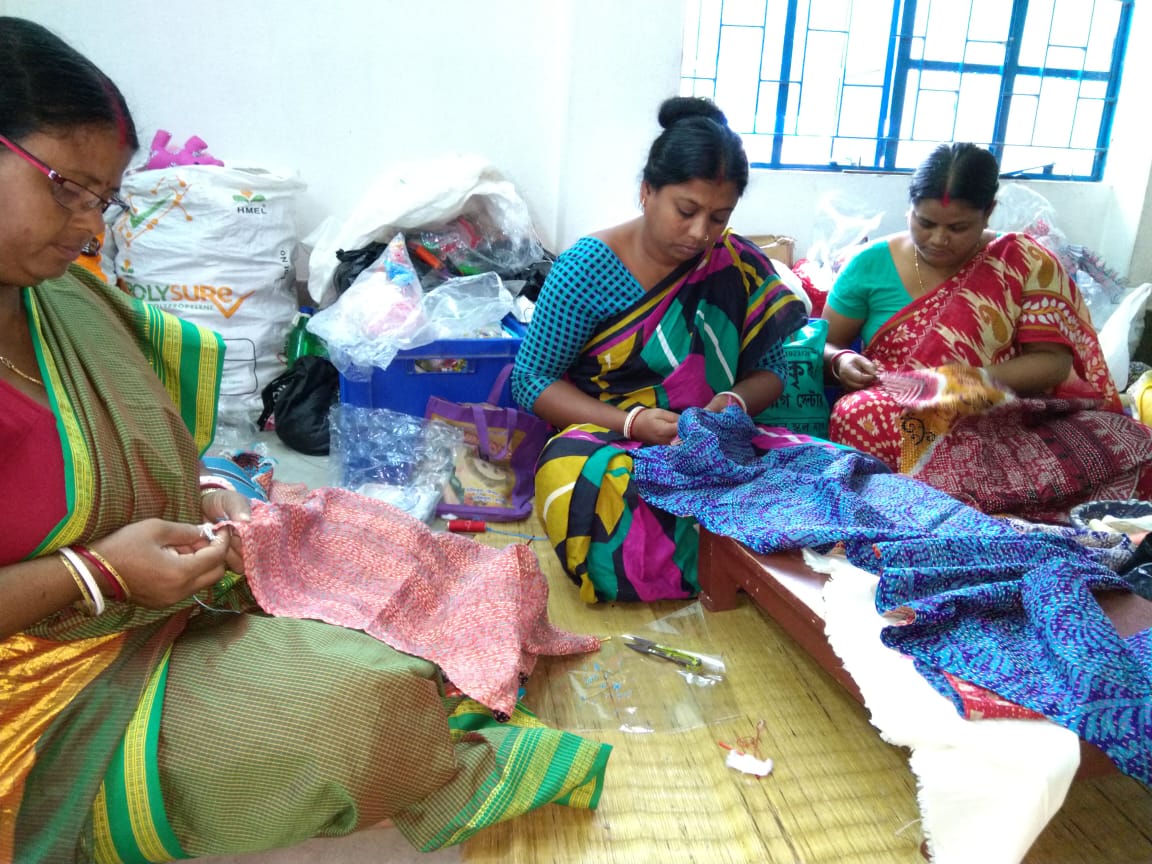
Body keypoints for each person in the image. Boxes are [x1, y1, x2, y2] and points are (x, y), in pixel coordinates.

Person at [0, 18, 609, 863]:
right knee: (366, 708)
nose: (88, 229)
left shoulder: (63, 301)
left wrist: (208, 491)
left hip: (152, 583)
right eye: (65, 188)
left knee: (416, 558)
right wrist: (97, 571)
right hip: (39, 676)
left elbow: (139, 450)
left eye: (101, 200)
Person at [511, 96, 808, 603]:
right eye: (686, 211)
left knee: (826, 477)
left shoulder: (735, 262)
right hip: (608, 443)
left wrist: (731, 405)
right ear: (647, 191)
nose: (701, 234)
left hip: (714, 442)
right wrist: (631, 424)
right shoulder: (588, 268)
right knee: (601, 510)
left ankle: (750, 557)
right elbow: (532, 380)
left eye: (719, 216)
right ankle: (742, 563)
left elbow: (772, 369)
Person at [821, 142, 1152, 520]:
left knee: (1133, 445)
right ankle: (943, 515)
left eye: (958, 227)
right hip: (904, 412)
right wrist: (841, 360)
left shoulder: (1023, 261)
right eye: (925, 222)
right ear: (908, 208)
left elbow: (1053, 364)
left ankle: (966, 514)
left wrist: (963, 382)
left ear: (988, 212)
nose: (939, 239)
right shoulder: (870, 264)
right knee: (857, 413)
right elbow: (824, 342)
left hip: (1009, 414)